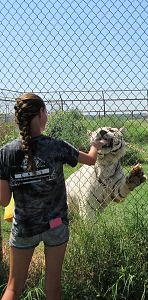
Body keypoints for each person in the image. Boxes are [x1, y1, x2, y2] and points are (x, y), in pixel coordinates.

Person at [0, 93, 106, 300]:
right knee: (53, 287)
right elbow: (91, 160)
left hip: (24, 227)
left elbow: (4, 200)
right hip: (55, 225)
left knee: (13, 287)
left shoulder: (5, 152)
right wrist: (95, 145)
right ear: (41, 114)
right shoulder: (57, 146)